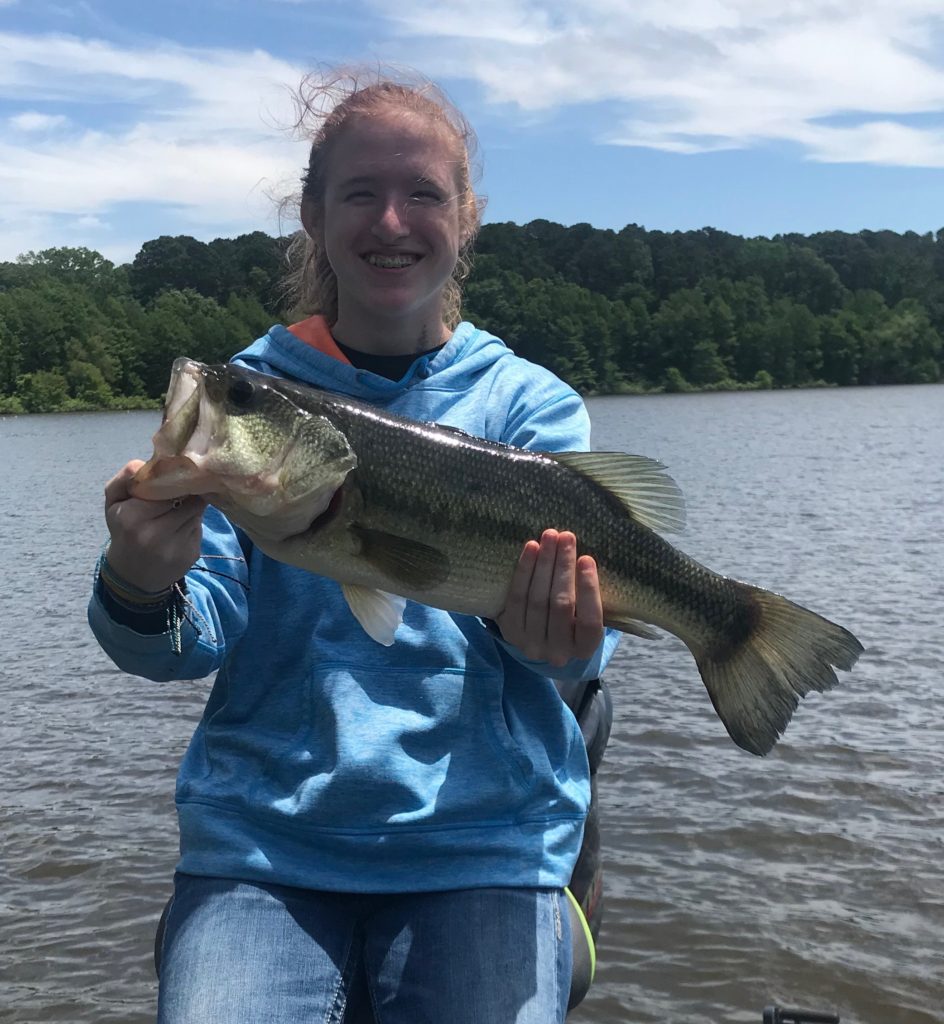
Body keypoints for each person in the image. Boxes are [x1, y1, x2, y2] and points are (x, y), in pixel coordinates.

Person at [89, 67, 621, 1024]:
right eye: (360, 194)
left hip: (483, 844)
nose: (390, 223)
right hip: (264, 846)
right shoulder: (252, 395)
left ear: (466, 217)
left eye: (422, 194)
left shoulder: (528, 407)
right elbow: (181, 644)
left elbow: (574, 656)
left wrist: (566, 642)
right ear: (313, 216)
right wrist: (139, 584)